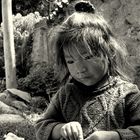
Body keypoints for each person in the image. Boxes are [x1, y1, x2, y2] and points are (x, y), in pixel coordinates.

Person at [35, 1, 140, 140]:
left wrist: (113, 136)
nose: (80, 69)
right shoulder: (65, 95)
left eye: (88, 57)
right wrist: (61, 129)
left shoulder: (128, 94)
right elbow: (41, 126)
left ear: (109, 52)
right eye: (71, 61)